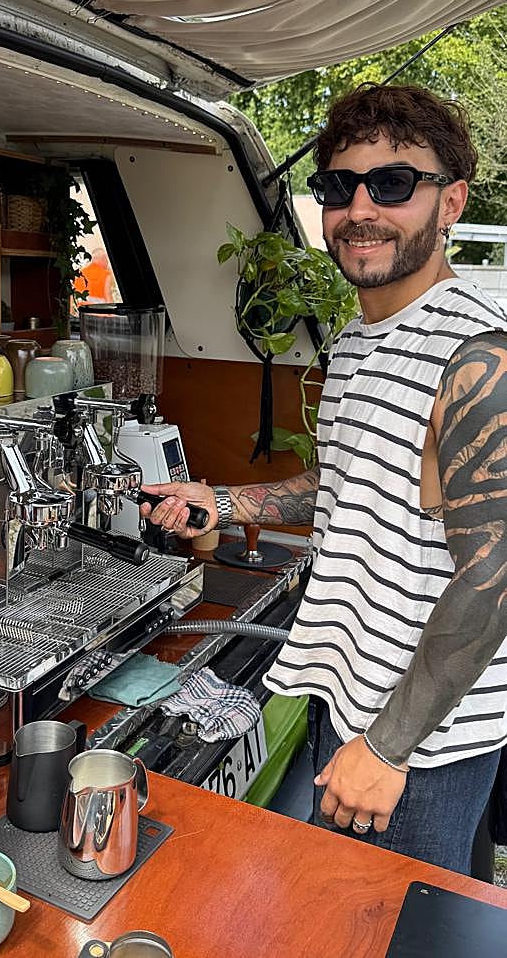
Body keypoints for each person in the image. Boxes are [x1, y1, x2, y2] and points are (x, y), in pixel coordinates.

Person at [141, 83, 507, 875]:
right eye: (339, 186)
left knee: (390, 928)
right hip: (348, 696)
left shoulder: (479, 359)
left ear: (451, 203)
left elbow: (494, 577)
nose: (360, 207)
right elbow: (344, 479)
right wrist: (225, 498)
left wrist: (385, 746)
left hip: (419, 745)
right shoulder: (359, 340)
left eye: (394, 183)